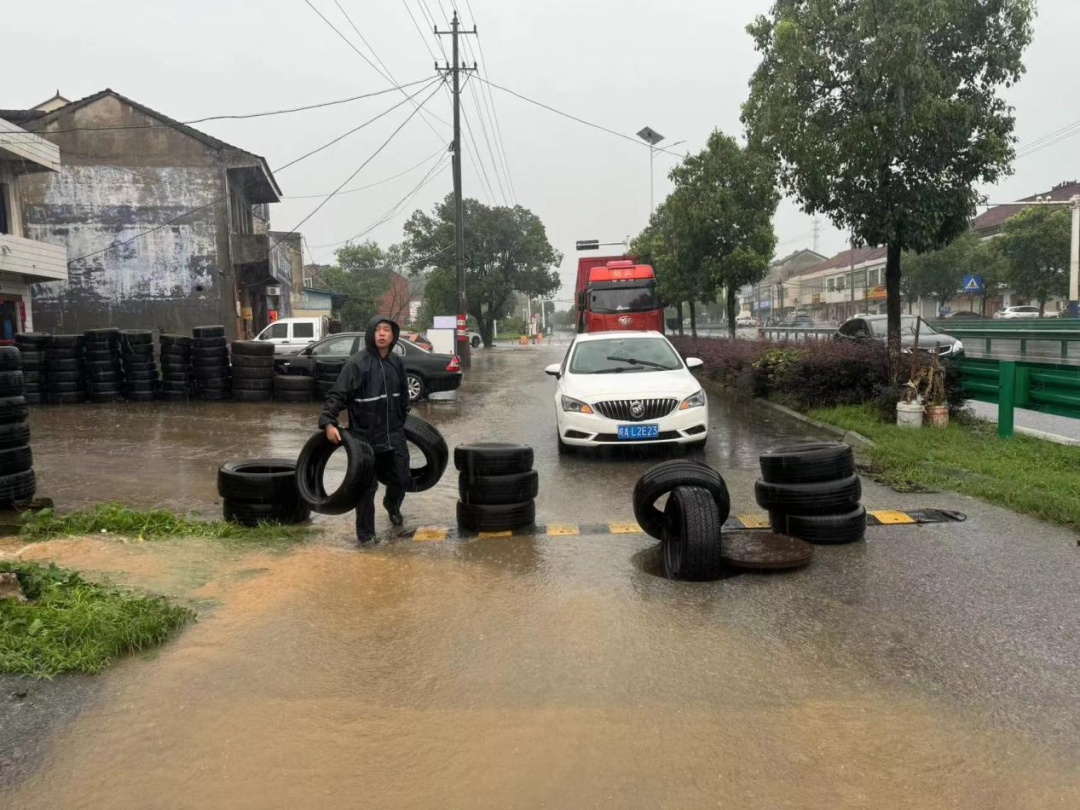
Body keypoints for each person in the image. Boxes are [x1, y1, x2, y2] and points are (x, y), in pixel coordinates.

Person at [318, 316, 410, 544]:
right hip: (365, 438)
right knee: (367, 489)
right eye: (377, 330)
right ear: (371, 334)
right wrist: (329, 422)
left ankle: (392, 505)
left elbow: (403, 396)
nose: (381, 334)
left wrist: (402, 417)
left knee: (401, 478)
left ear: (393, 336)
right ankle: (366, 536)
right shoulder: (357, 363)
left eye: (386, 330)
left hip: (394, 434)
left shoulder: (397, 362)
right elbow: (337, 394)